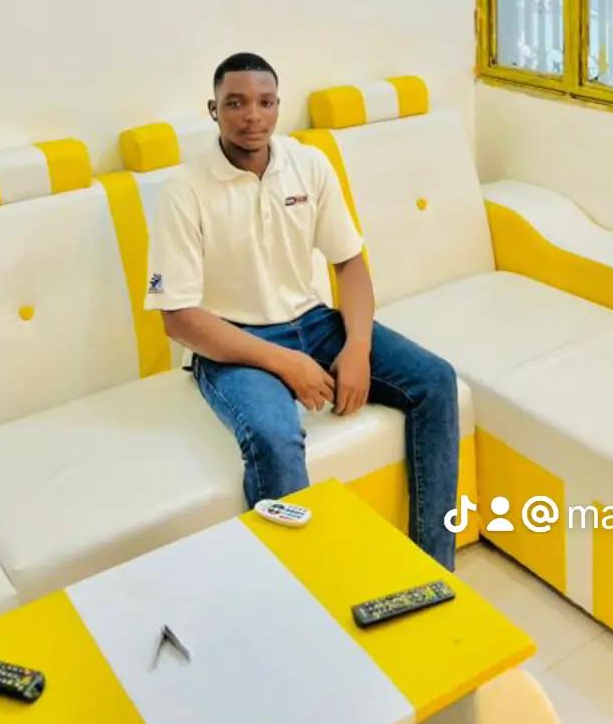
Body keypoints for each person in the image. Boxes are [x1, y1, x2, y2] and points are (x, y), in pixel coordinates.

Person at [145, 51, 460, 569]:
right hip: (232, 341)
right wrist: (286, 363)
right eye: (236, 103)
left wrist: (357, 348)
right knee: (275, 436)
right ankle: (306, 586)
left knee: (436, 381)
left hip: (314, 322)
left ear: (278, 106)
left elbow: (350, 265)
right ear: (213, 110)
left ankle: (434, 568)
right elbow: (177, 317)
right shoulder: (185, 190)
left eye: (265, 102)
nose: (252, 116)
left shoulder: (308, 165)